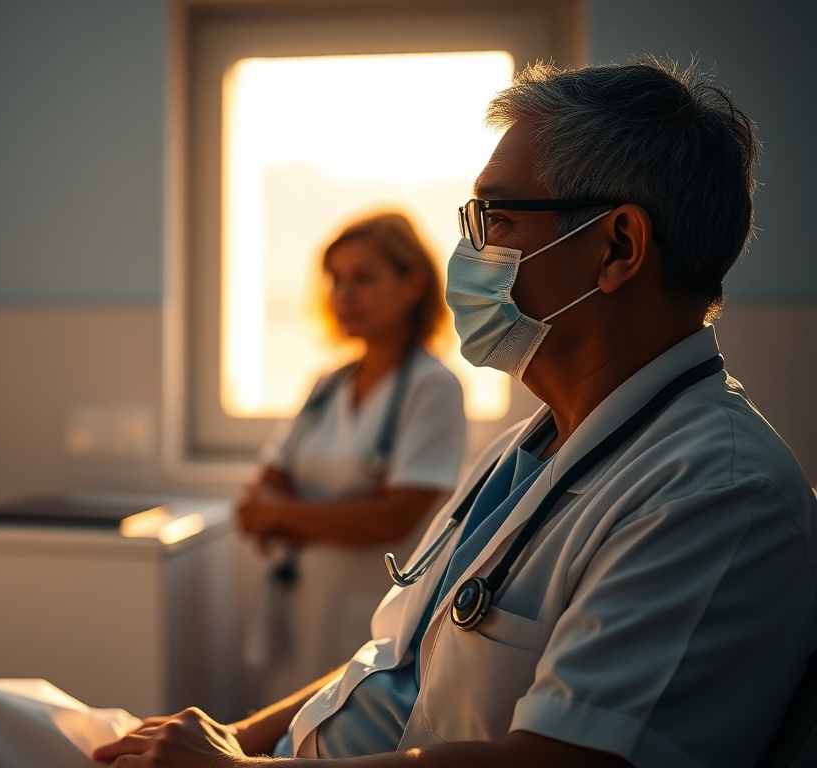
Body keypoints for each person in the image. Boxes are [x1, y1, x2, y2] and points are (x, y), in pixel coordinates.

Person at [92, 57, 816, 767]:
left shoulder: (715, 493)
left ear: (617, 247)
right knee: (0, 718)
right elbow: (392, 663)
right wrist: (228, 739)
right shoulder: (528, 452)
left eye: (495, 218)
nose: (469, 251)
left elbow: (559, 758)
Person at [237, 213, 466, 705]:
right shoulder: (327, 384)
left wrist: (281, 516)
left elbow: (393, 518)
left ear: (413, 284)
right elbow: (263, 489)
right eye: (336, 279)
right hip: (295, 603)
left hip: (367, 616)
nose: (344, 294)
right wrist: (304, 514)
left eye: (363, 278)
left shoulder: (433, 388)